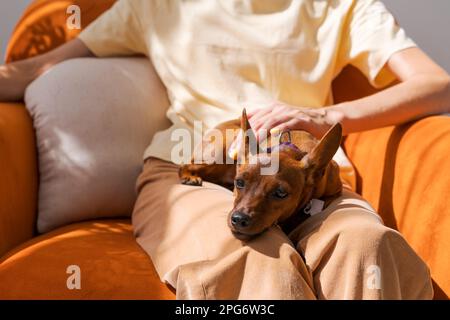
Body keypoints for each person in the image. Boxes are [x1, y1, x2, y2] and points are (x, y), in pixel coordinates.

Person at [1, 0, 449, 299]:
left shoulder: (340, 6)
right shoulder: (159, 4)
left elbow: (438, 87)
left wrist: (326, 118)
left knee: (365, 247)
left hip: (308, 179)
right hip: (192, 170)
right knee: (256, 263)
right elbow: (34, 69)